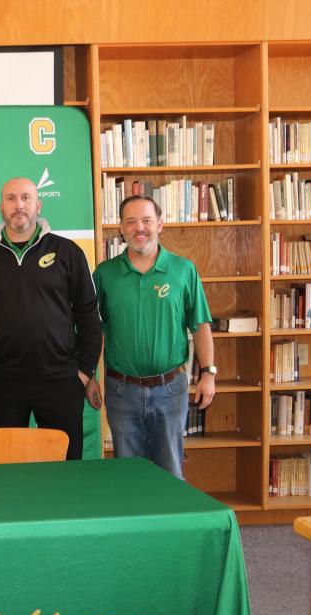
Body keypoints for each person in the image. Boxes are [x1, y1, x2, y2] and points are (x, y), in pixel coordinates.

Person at [0, 177, 102, 460]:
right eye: (11, 199)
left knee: (66, 467)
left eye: (26, 198)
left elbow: (89, 315)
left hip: (60, 380)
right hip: (1, 382)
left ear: (38, 205)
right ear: (0, 207)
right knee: (5, 468)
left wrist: (84, 372)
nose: (19, 205)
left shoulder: (68, 252)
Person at [92, 194, 215, 479]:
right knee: (129, 474)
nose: (139, 228)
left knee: (171, 470)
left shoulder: (183, 270)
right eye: (131, 221)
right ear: (120, 228)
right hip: (122, 390)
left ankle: (174, 524)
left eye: (147, 221)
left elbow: (201, 326)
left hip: (170, 388)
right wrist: (91, 377)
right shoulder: (105, 274)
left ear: (160, 224)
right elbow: (94, 331)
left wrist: (208, 373)